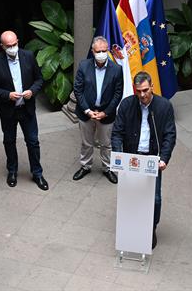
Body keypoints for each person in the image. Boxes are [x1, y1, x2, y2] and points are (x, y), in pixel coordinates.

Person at [111, 71, 176, 249]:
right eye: (139, 91)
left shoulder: (164, 106)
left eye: (145, 90)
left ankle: (151, 227)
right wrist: (118, 156)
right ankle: (132, 227)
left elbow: (170, 135)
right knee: (131, 194)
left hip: (152, 160)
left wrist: (164, 158)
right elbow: (117, 133)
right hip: (132, 157)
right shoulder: (127, 105)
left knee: (154, 198)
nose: (142, 95)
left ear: (152, 86)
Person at [0, 30, 48, 191]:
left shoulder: (28, 56)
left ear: (18, 42)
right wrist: (7, 95)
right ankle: (12, 171)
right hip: (8, 110)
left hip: (26, 108)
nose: (12, 48)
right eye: (9, 46)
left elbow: (39, 79)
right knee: (9, 141)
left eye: (14, 44)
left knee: (33, 142)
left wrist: (32, 91)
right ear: (2, 46)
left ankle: (37, 173)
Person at [72, 36, 123, 184]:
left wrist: (105, 112)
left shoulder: (116, 69)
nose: (101, 53)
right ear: (92, 51)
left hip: (106, 114)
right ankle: (85, 166)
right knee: (86, 143)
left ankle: (108, 169)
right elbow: (78, 90)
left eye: (104, 50)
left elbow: (117, 93)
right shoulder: (83, 66)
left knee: (106, 144)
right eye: (98, 51)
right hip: (86, 112)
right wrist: (87, 110)